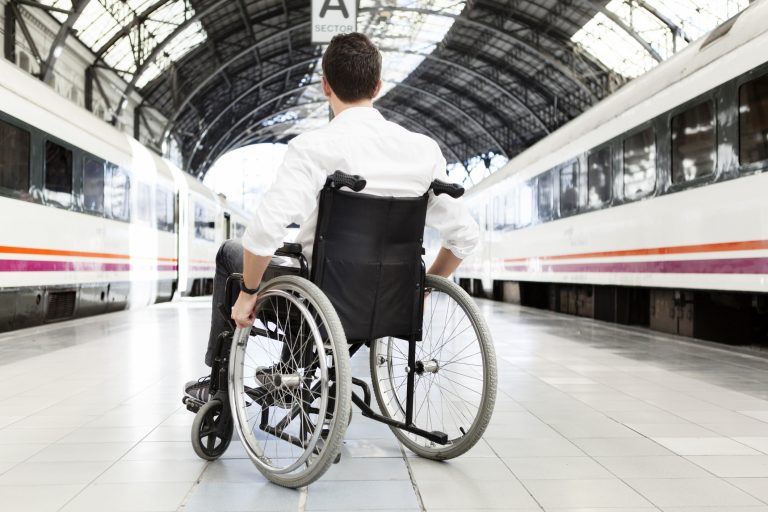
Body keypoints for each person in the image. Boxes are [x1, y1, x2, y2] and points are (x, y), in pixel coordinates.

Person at [185, 32, 479, 400]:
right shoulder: (423, 151)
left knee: (233, 253)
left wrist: (247, 293)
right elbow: (465, 235)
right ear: (378, 86)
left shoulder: (315, 147)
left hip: (320, 293)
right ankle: (290, 368)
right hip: (390, 298)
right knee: (302, 274)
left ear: (326, 85)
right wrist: (419, 288)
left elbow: (263, 232)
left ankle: (216, 384)